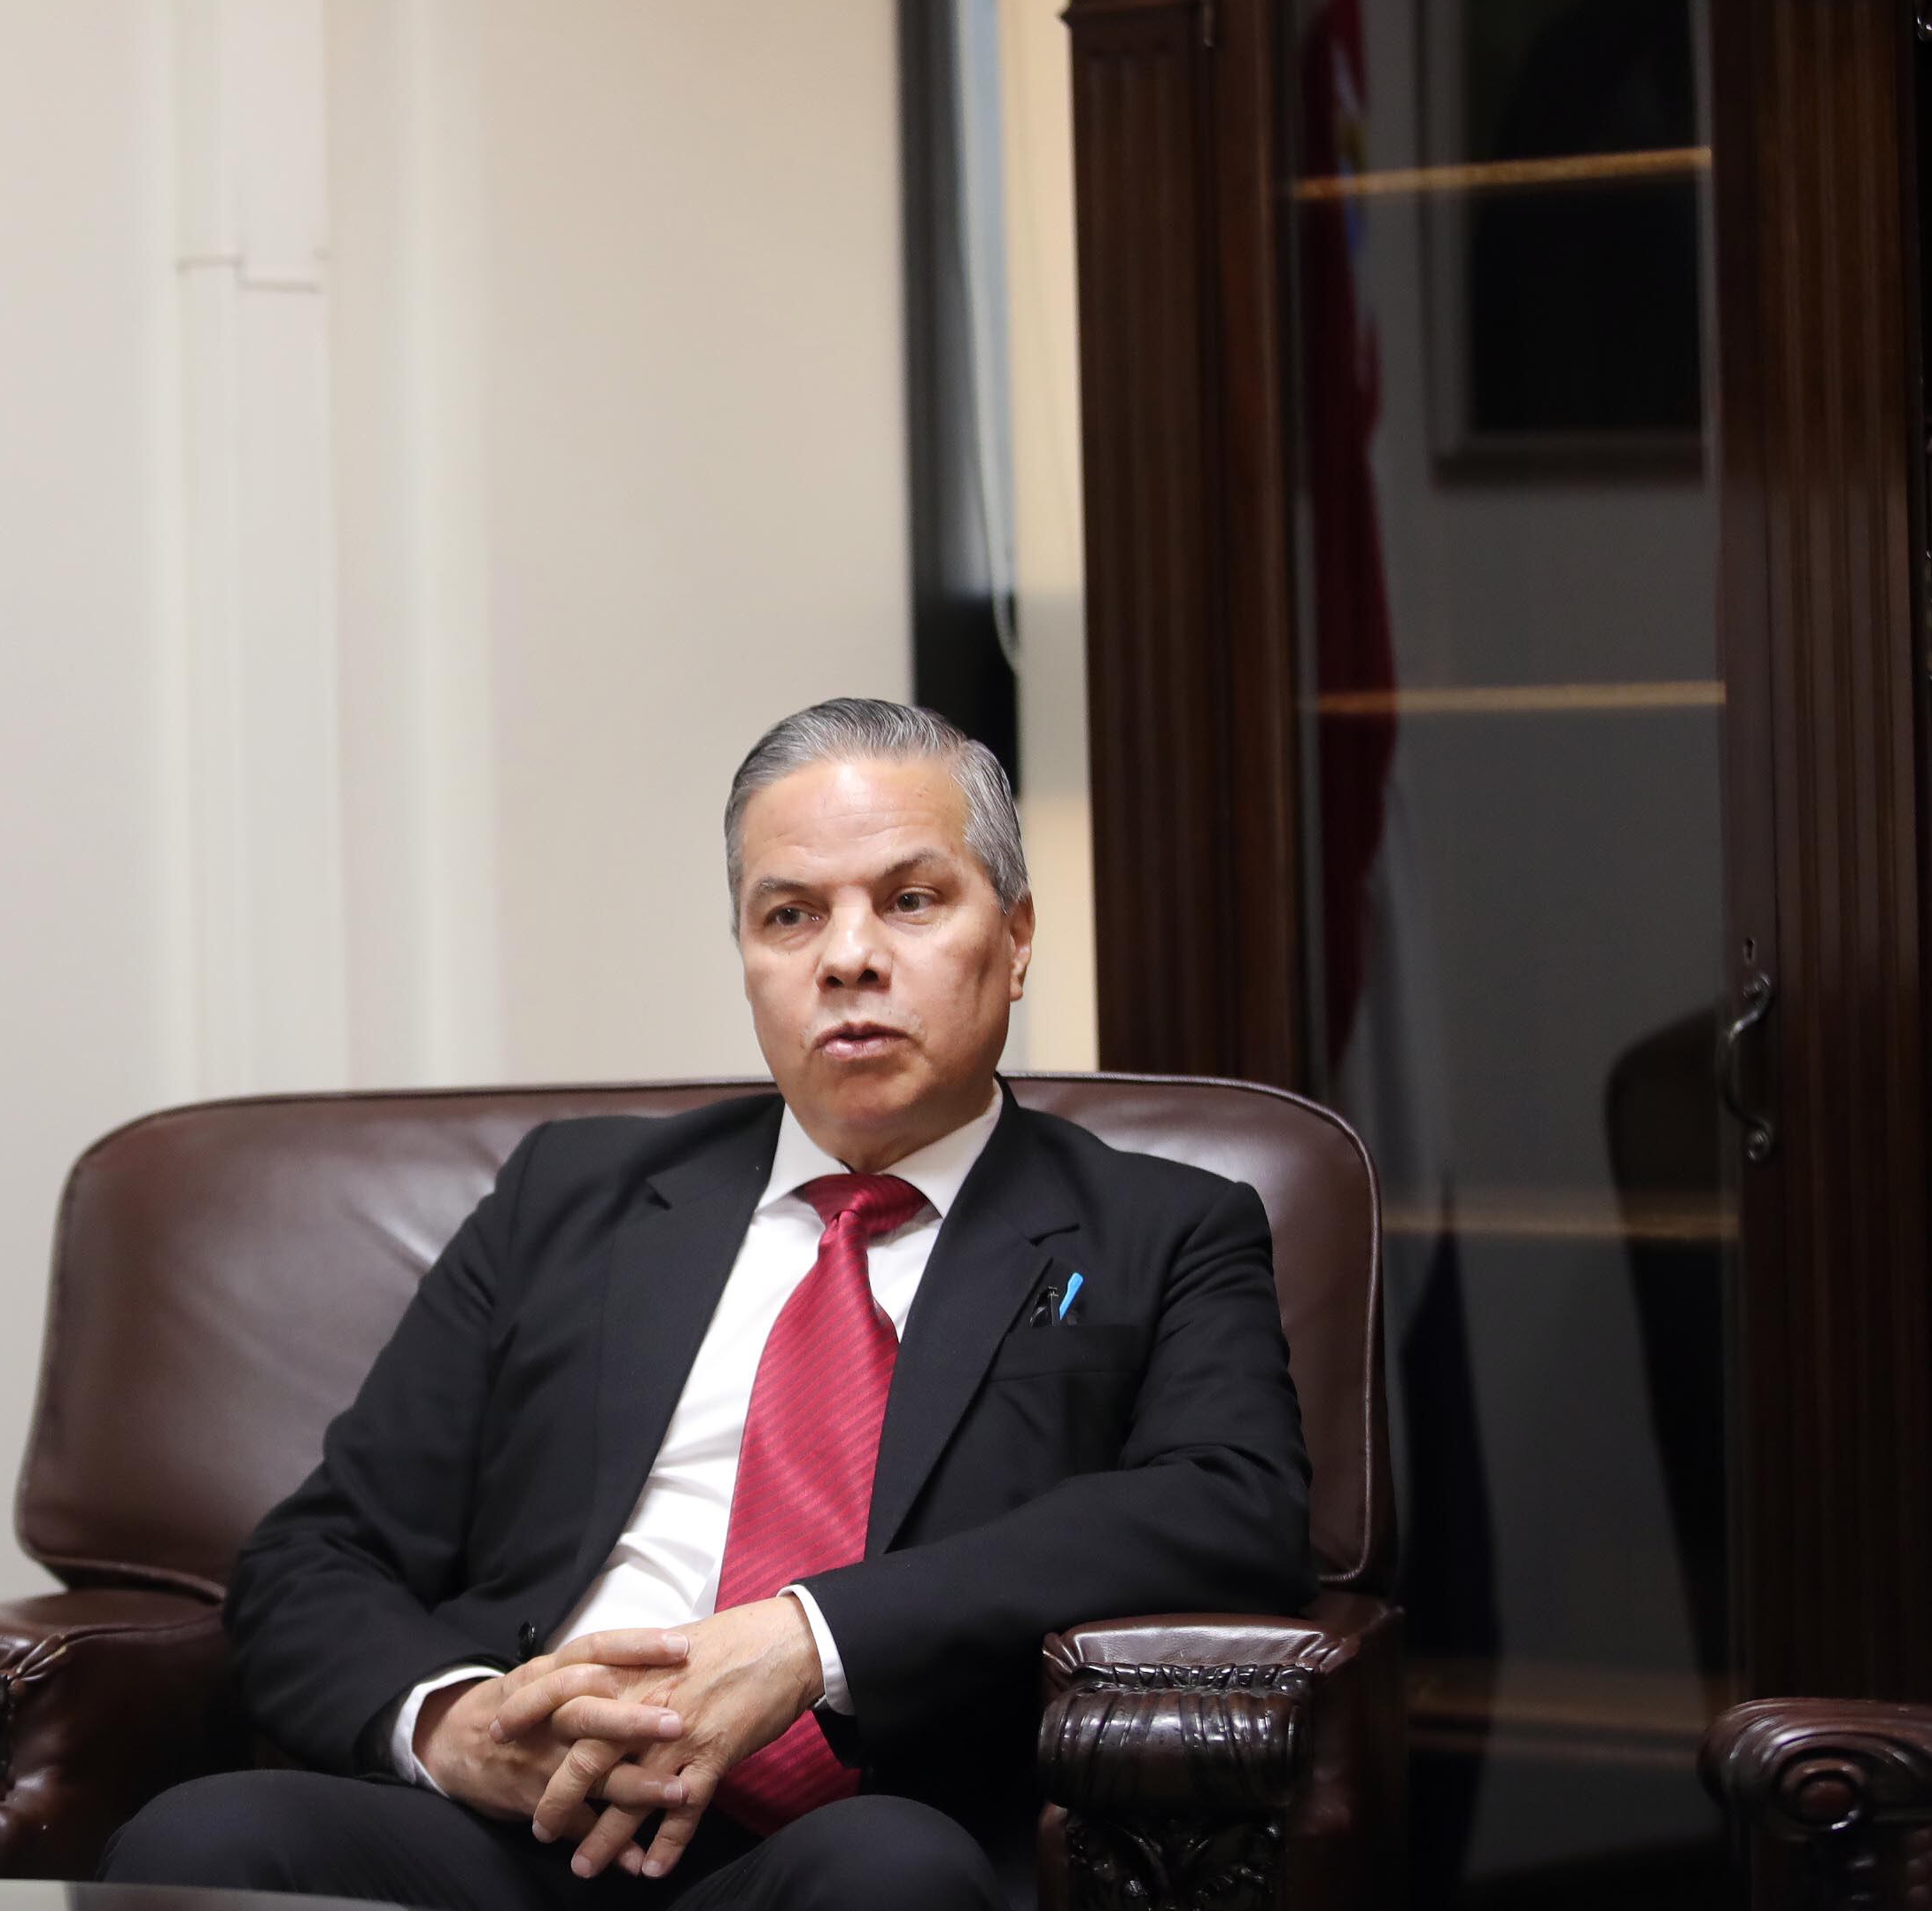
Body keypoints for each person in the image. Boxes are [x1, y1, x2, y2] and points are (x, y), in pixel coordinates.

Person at [101, 699, 1315, 1910]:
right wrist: (455, 1727)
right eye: (789, 915)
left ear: (1015, 934)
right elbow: (318, 1553)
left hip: (843, 1835)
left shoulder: (1161, 1226)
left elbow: (1227, 1502)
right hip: (525, 1824)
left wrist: (809, 1639)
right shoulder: (570, 1197)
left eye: (909, 900)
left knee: (888, 1873)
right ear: (746, 955)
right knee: (204, 1840)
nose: (846, 958)